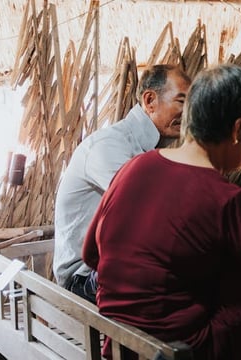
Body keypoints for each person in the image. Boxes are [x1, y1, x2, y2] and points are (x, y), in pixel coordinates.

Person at [81, 64, 241, 359]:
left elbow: (91, 255)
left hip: (120, 348)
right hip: (185, 353)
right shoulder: (228, 200)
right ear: (238, 129)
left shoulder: (134, 168)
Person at [54, 64, 191, 303]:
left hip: (112, 267)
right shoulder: (109, 146)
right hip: (83, 278)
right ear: (150, 101)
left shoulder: (150, 152)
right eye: (181, 101)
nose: (188, 112)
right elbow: (149, 212)